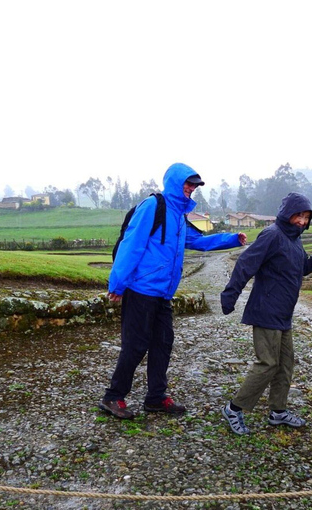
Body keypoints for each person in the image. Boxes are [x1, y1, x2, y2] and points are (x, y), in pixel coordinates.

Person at [100, 162, 247, 419]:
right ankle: (113, 396)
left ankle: (155, 397)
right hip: (141, 290)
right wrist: (118, 283)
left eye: (195, 185)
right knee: (135, 346)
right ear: (175, 183)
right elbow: (131, 244)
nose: (191, 189)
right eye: (188, 183)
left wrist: (232, 239)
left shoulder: (179, 216)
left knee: (163, 344)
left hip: (163, 294)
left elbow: (198, 241)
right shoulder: (152, 207)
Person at [220, 192, 312, 434]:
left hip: (283, 314)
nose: (302, 221)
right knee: (267, 363)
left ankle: (278, 412)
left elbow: (304, 267)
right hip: (265, 310)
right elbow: (246, 264)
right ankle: (234, 408)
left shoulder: (294, 240)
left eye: (306, 217)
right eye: (299, 215)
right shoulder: (272, 235)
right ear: (288, 214)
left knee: (285, 364)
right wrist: (230, 295)